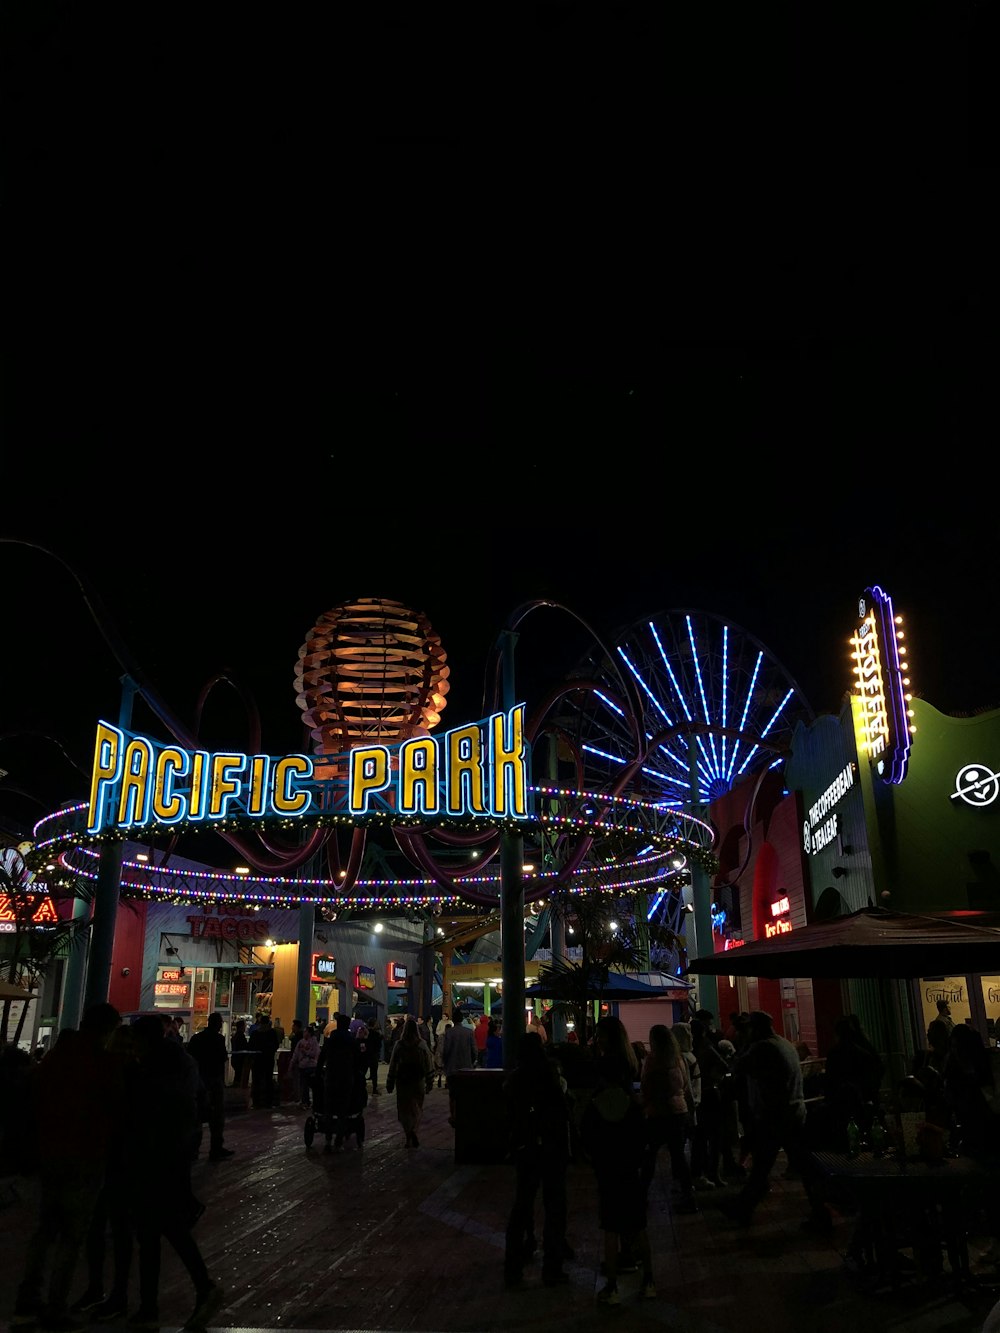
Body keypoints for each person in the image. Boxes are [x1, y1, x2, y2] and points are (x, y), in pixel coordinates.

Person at [12, 1002, 125, 1332]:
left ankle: (27, 1297)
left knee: (44, 1230)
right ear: (107, 1029)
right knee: (72, 1236)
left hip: (48, 1155)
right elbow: (116, 1111)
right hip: (86, 1157)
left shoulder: (54, 1059)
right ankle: (56, 1304)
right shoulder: (104, 1064)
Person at [121, 1015, 223, 1331]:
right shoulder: (178, 1064)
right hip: (171, 1155)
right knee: (161, 1230)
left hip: (156, 1157)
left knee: (158, 1230)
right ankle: (161, 1300)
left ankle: (192, 1290)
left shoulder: (151, 1070)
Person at [581, 1016, 655, 1305]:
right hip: (629, 1163)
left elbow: (589, 1132)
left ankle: (612, 1286)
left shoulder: (598, 1103)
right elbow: (641, 1134)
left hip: (607, 1164)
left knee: (610, 1225)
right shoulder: (631, 1096)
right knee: (638, 1224)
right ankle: (648, 1279)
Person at [722, 1011, 811, 1228]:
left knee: (762, 1167)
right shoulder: (785, 1044)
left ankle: (743, 1210)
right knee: (802, 1168)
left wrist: (742, 1045)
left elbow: (738, 1068)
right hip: (794, 1112)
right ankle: (819, 1210)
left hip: (775, 1117)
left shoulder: (762, 1048)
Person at [503, 1032, 571, 1289]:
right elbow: (562, 1110)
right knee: (554, 1207)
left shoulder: (514, 1080)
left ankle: (513, 1266)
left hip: (525, 1148)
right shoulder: (549, 1075)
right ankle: (552, 1267)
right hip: (551, 1148)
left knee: (522, 1205)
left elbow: (509, 1115)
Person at [639, 1023, 697, 1214]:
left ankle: (642, 1195)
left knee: (649, 1155)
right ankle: (688, 1195)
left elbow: (646, 1087)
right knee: (678, 1156)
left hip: (657, 1113)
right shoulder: (679, 1060)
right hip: (678, 1111)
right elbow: (686, 1086)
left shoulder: (652, 1061)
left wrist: (643, 1106)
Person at [316, 1012, 367, 1152]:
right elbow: (358, 1060)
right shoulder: (351, 1041)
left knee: (329, 1108)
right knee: (343, 1109)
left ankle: (327, 1139)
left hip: (331, 1076)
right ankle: (339, 1137)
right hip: (346, 1077)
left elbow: (322, 1058)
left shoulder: (331, 1040)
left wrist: (318, 1072)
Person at [187, 1013, 234, 1162]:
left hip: (199, 1079)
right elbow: (223, 1058)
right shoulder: (218, 1039)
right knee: (217, 1116)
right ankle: (215, 1148)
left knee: (197, 1116)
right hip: (214, 1080)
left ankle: (194, 1150)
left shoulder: (197, 1038)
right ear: (218, 1024)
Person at [386, 1017, 434, 1148]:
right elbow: (428, 1063)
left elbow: (393, 1064)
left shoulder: (399, 1045)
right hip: (418, 1080)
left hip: (402, 1080)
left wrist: (390, 1081)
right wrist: (430, 1081)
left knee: (403, 1109)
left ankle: (408, 1136)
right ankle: (414, 1130)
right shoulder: (421, 1044)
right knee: (417, 1108)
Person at [441, 1006, 478, 1127]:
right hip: (466, 1068)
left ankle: (454, 1115)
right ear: (462, 1020)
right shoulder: (469, 1033)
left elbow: (445, 1051)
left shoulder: (449, 1033)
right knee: (465, 1093)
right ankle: (465, 1113)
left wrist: (445, 1064)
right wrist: (471, 1062)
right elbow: (474, 1051)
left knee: (452, 1094)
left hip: (452, 1068)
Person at [248, 1014, 280, 1109]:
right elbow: (276, 1045)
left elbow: (250, 1046)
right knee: (268, 1080)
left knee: (256, 1081)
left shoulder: (255, 1034)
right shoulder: (272, 1033)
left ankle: (256, 1102)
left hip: (257, 1061)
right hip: (268, 1060)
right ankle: (268, 1102)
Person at [288, 1023, 320, 1109]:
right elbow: (295, 1054)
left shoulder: (314, 1042)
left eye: (305, 1031)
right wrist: (291, 1065)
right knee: (303, 1085)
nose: (304, 1033)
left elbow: (315, 1053)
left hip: (311, 1066)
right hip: (302, 1066)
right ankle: (305, 1101)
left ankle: (315, 1102)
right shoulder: (300, 1042)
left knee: (313, 1085)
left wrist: (306, 1052)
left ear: (309, 1033)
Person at [364, 1018, 383, 1095]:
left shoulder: (366, 1033)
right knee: (374, 1072)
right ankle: (374, 1089)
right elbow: (379, 1045)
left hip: (366, 1055)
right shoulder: (376, 1034)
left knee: (363, 1071)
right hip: (374, 1055)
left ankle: (361, 1087)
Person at [230, 1018, 250, 1088]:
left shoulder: (235, 1036)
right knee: (239, 1074)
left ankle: (236, 1085)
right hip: (240, 1059)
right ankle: (237, 1087)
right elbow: (244, 1047)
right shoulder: (241, 1036)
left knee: (237, 1074)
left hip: (235, 1057)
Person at [434, 1014, 452, 1089]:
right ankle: (445, 1081)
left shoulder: (450, 1022)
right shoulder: (440, 1022)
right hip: (445, 1052)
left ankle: (441, 1080)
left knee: (441, 1067)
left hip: (441, 1052)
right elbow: (437, 1031)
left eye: (445, 1016)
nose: (443, 1017)